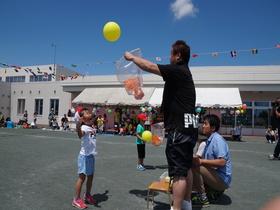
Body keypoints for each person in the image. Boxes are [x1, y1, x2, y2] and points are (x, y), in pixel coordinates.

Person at [124, 40, 198, 210]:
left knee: (179, 172)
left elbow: (150, 67)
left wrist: (132, 57)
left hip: (179, 129)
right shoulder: (184, 73)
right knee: (186, 167)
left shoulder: (178, 70)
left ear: (178, 56)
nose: (169, 56)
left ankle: (176, 208)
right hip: (188, 126)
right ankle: (186, 204)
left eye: (171, 53)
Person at [191, 114, 232, 208]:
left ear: (213, 128)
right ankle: (214, 191)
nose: (203, 126)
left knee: (195, 165)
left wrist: (201, 161)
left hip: (222, 179)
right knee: (196, 164)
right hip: (217, 175)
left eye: (205, 124)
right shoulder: (210, 140)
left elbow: (222, 162)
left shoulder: (217, 140)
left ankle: (203, 198)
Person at [72, 108, 97, 209]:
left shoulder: (89, 126)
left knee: (90, 177)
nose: (89, 113)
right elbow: (80, 135)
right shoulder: (83, 127)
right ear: (82, 118)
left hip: (90, 156)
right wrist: (78, 125)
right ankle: (76, 199)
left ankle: (87, 195)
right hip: (84, 157)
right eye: (87, 113)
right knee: (82, 178)